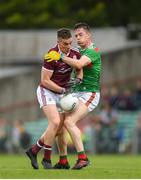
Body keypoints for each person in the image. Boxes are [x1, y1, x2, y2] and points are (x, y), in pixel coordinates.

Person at [45, 22, 101, 169]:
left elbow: (79, 65)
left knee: (69, 122)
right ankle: (63, 160)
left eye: (81, 35)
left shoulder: (93, 51)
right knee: (60, 124)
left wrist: (60, 55)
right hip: (76, 93)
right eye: (76, 35)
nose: (78, 38)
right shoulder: (76, 50)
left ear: (88, 35)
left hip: (90, 93)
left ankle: (83, 158)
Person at [25, 28, 81, 169]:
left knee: (60, 129)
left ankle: (34, 150)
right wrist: (62, 89)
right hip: (47, 91)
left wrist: (78, 79)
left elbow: (79, 67)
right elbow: (45, 81)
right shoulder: (51, 55)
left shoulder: (74, 54)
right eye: (64, 44)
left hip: (62, 94)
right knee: (55, 122)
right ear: (58, 42)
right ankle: (47, 159)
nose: (68, 47)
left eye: (69, 43)